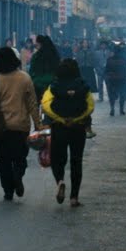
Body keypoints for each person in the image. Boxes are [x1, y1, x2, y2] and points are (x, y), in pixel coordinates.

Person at [0, 46, 42, 201]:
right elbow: (32, 104)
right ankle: (18, 175)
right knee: (20, 157)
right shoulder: (24, 78)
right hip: (20, 127)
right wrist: (38, 124)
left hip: (0, 129)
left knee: (4, 160)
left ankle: (8, 190)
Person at [41, 59, 94, 207]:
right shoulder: (83, 85)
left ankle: (60, 181)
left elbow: (46, 104)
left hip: (59, 127)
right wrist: (77, 118)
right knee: (76, 161)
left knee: (57, 159)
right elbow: (90, 106)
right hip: (78, 127)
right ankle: (74, 198)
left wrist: (61, 119)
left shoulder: (54, 85)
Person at [29, 34, 61, 99]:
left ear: (40, 44)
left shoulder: (36, 56)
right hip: (52, 85)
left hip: (38, 85)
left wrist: (34, 80)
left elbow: (31, 71)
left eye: (37, 45)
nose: (36, 47)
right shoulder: (55, 55)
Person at [104, 45, 126, 116]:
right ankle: (121, 109)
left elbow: (106, 70)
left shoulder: (109, 60)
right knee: (122, 95)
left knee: (112, 95)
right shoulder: (124, 60)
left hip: (112, 80)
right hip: (121, 80)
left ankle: (112, 108)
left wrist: (107, 77)